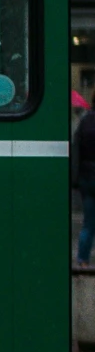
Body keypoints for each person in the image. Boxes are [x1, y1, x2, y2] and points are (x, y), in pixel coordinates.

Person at [75, 104, 95, 263]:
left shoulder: (85, 121)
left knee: (88, 222)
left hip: (87, 177)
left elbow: (77, 150)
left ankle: (82, 259)